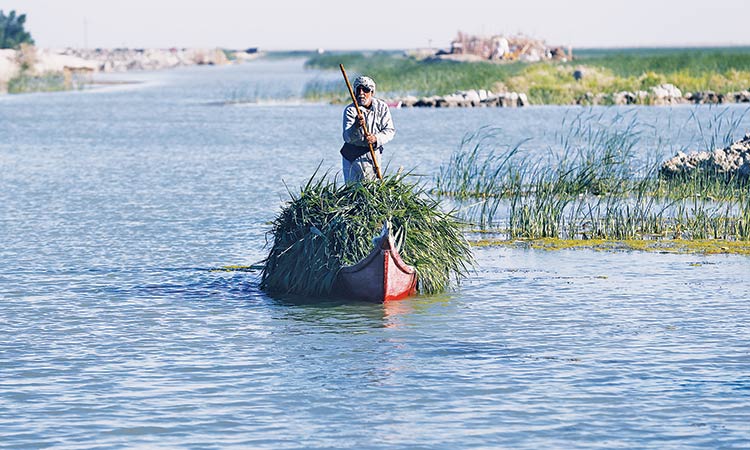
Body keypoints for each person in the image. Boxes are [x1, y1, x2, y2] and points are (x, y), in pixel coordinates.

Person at [341, 76, 395, 182]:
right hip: (351, 156)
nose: (361, 93)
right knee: (353, 191)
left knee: (372, 189)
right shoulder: (350, 110)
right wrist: (355, 126)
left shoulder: (382, 107)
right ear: (354, 92)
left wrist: (375, 138)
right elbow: (347, 138)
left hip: (373, 154)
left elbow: (389, 131)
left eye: (365, 90)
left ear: (372, 92)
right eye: (358, 90)